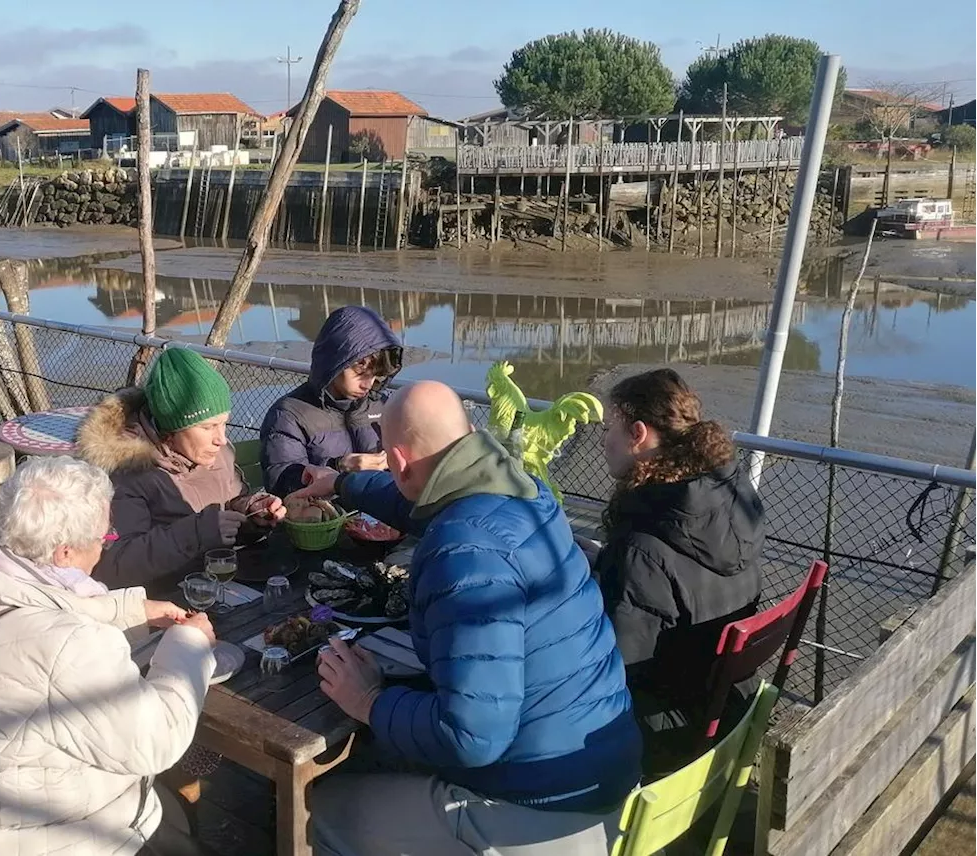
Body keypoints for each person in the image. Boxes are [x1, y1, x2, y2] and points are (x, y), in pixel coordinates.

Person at [294, 381, 641, 856]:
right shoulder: (522, 492)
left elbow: (471, 737)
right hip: (598, 768)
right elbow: (414, 501)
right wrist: (341, 483)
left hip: (541, 814)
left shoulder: (464, 553)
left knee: (311, 812)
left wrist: (368, 700)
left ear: (396, 461)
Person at [0, 456, 216, 856]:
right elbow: (157, 739)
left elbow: (38, 608)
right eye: (106, 538)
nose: (107, 547)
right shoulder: (69, 645)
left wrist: (131, 610)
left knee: (171, 811)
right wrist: (189, 646)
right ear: (65, 554)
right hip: (49, 837)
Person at [596, 368, 765, 776]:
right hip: (726, 709)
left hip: (666, 732)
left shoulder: (641, 545)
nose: (604, 442)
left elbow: (614, 669)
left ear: (638, 434)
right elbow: (676, 584)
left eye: (608, 429)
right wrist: (606, 561)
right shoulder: (729, 505)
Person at [76, 348, 286, 587]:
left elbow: (228, 511)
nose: (221, 439)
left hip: (221, 582)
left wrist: (251, 512)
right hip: (164, 599)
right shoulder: (127, 473)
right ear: (171, 430)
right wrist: (197, 532)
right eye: (208, 427)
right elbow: (115, 567)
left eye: (223, 424)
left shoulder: (217, 453)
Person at [260, 305, 402, 496]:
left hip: (380, 514)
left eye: (376, 375)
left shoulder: (382, 405)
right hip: (325, 518)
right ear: (335, 361)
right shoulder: (289, 415)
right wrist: (339, 467)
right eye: (360, 373)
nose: (367, 384)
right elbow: (280, 481)